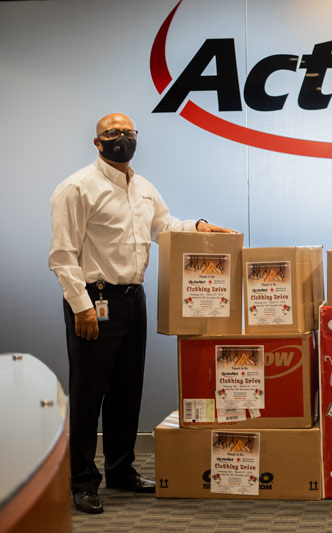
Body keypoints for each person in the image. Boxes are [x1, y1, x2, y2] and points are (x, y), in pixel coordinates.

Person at [49, 113, 235, 514]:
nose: (121, 139)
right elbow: (62, 255)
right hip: (93, 301)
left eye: (128, 132)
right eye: (111, 133)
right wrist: (80, 305)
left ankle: (121, 470)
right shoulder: (77, 188)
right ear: (96, 142)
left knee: (126, 389)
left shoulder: (144, 187)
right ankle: (82, 480)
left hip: (134, 299)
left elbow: (164, 226)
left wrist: (199, 226)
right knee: (88, 392)